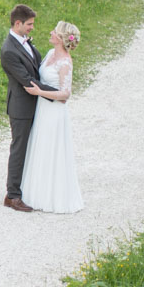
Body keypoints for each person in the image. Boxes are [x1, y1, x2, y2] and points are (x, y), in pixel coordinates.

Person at [20, 20, 83, 213]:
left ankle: (52, 195)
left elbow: (65, 95)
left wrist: (39, 92)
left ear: (61, 38)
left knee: (51, 148)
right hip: (42, 110)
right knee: (39, 146)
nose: (51, 33)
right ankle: (36, 191)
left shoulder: (65, 62)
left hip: (54, 112)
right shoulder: (49, 55)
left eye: (54, 32)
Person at [0, 4, 54, 212]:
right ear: (18, 23)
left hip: (35, 104)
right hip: (21, 108)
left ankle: (28, 188)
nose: (32, 28)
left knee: (33, 148)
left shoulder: (23, 43)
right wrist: (57, 95)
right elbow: (28, 81)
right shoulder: (9, 51)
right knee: (19, 150)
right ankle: (12, 195)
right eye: (29, 24)